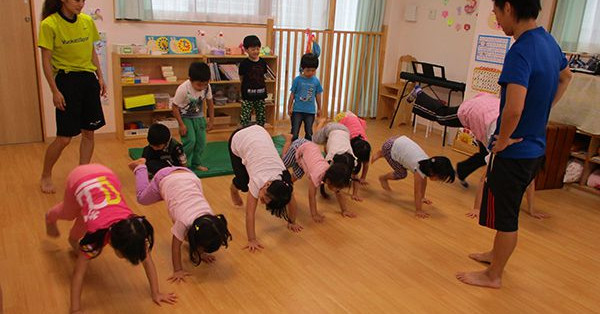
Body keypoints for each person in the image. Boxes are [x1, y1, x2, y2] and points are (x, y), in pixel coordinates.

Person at [456, 0, 572, 289]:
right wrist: (542, 110)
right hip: (535, 148)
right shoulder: (547, 41)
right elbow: (566, 76)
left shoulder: (520, 50)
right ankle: (495, 256)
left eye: (495, 12)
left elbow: (513, 109)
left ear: (509, 8)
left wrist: (503, 140)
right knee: (508, 207)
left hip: (515, 151)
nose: (496, 19)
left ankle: (494, 275)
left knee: (506, 216)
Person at [44, 164, 176, 313]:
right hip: (79, 178)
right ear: (114, 245)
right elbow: (78, 274)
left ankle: (73, 240)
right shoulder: (96, 236)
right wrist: (75, 309)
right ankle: (50, 216)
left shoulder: (135, 231)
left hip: (107, 175)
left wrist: (156, 293)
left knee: (87, 213)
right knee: (69, 213)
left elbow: (148, 261)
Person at [38, 0, 107, 193]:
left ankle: (82, 176)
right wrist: (54, 90)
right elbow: (46, 60)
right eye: (77, 0)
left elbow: (92, 51)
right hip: (67, 81)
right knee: (64, 139)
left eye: (83, 0)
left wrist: (100, 77)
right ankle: (45, 175)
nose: (81, 4)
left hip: (88, 79)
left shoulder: (86, 21)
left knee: (89, 132)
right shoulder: (49, 24)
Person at [129, 160, 232, 283]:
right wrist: (178, 270)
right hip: (165, 178)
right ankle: (140, 167)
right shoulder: (184, 222)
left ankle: (171, 195)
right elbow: (175, 247)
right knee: (142, 198)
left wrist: (202, 253)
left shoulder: (209, 219)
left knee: (179, 207)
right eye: (202, 248)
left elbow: (202, 234)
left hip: (189, 176)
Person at [228, 125, 303, 252]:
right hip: (239, 138)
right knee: (243, 182)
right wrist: (251, 239)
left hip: (260, 131)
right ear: (267, 185)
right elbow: (250, 213)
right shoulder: (258, 181)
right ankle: (233, 189)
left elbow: (291, 202)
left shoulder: (284, 184)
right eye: (263, 198)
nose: (261, 202)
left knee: (248, 183)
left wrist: (292, 222)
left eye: (263, 201)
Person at [371, 136, 455, 218]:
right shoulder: (419, 170)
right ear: (432, 172)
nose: (439, 180)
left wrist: (422, 197)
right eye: (439, 178)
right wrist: (418, 210)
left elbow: (424, 181)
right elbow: (417, 192)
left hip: (397, 139)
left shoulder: (427, 163)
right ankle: (383, 177)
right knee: (401, 174)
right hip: (389, 148)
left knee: (402, 162)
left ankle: (382, 153)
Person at [281, 134, 356, 221]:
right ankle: (288, 140)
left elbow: (339, 194)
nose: (337, 191)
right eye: (337, 189)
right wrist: (314, 214)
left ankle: (284, 187)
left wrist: (344, 210)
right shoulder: (317, 175)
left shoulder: (331, 174)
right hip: (300, 146)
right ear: (328, 181)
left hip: (307, 154)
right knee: (283, 164)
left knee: (297, 175)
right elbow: (311, 195)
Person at [172, 62, 215, 171]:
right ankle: (181, 163)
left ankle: (196, 163)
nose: (202, 87)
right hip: (185, 117)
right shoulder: (183, 89)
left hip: (199, 117)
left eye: (205, 84)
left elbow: (210, 103)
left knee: (201, 142)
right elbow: (174, 107)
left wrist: (211, 121)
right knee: (190, 140)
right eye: (199, 85)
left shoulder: (207, 87)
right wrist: (181, 124)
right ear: (190, 80)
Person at [312, 118, 363, 201]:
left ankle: (328, 141)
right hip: (332, 128)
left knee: (329, 144)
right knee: (315, 139)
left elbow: (355, 178)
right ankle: (321, 122)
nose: (337, 190)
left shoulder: (353, 162)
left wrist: (355, 194)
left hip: (345, 131)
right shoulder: (330, 160)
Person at [288, 53, 323, 140]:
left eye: (313, 70)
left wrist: (319, 108)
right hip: (297, 111)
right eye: (308, 70)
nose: (311, 72)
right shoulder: (297, 80)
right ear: (302, 68)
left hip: (310, 112)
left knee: (309, 133)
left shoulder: (316, 81)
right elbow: (292, 94)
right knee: (294, 133)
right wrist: (289, 107)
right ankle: (293, 149)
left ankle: (308, 149)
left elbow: (318, 95)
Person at [334, 111, 372, 185]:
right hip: (343, 118)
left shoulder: (365, 146)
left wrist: (363, 178)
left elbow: (366, 163)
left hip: (356, 121)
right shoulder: (347, 140)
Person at [239, 35, 269, 127]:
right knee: (245, 116)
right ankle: (244, 132)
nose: (256, 51)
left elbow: (263, 75)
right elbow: (241, 77)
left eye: (257, 49)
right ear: (246, 50)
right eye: (253, 49)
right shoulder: (244, 63)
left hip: (260, 94)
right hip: (247, 95)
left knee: (261, 116)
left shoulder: (263, 62)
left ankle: (261, 132)